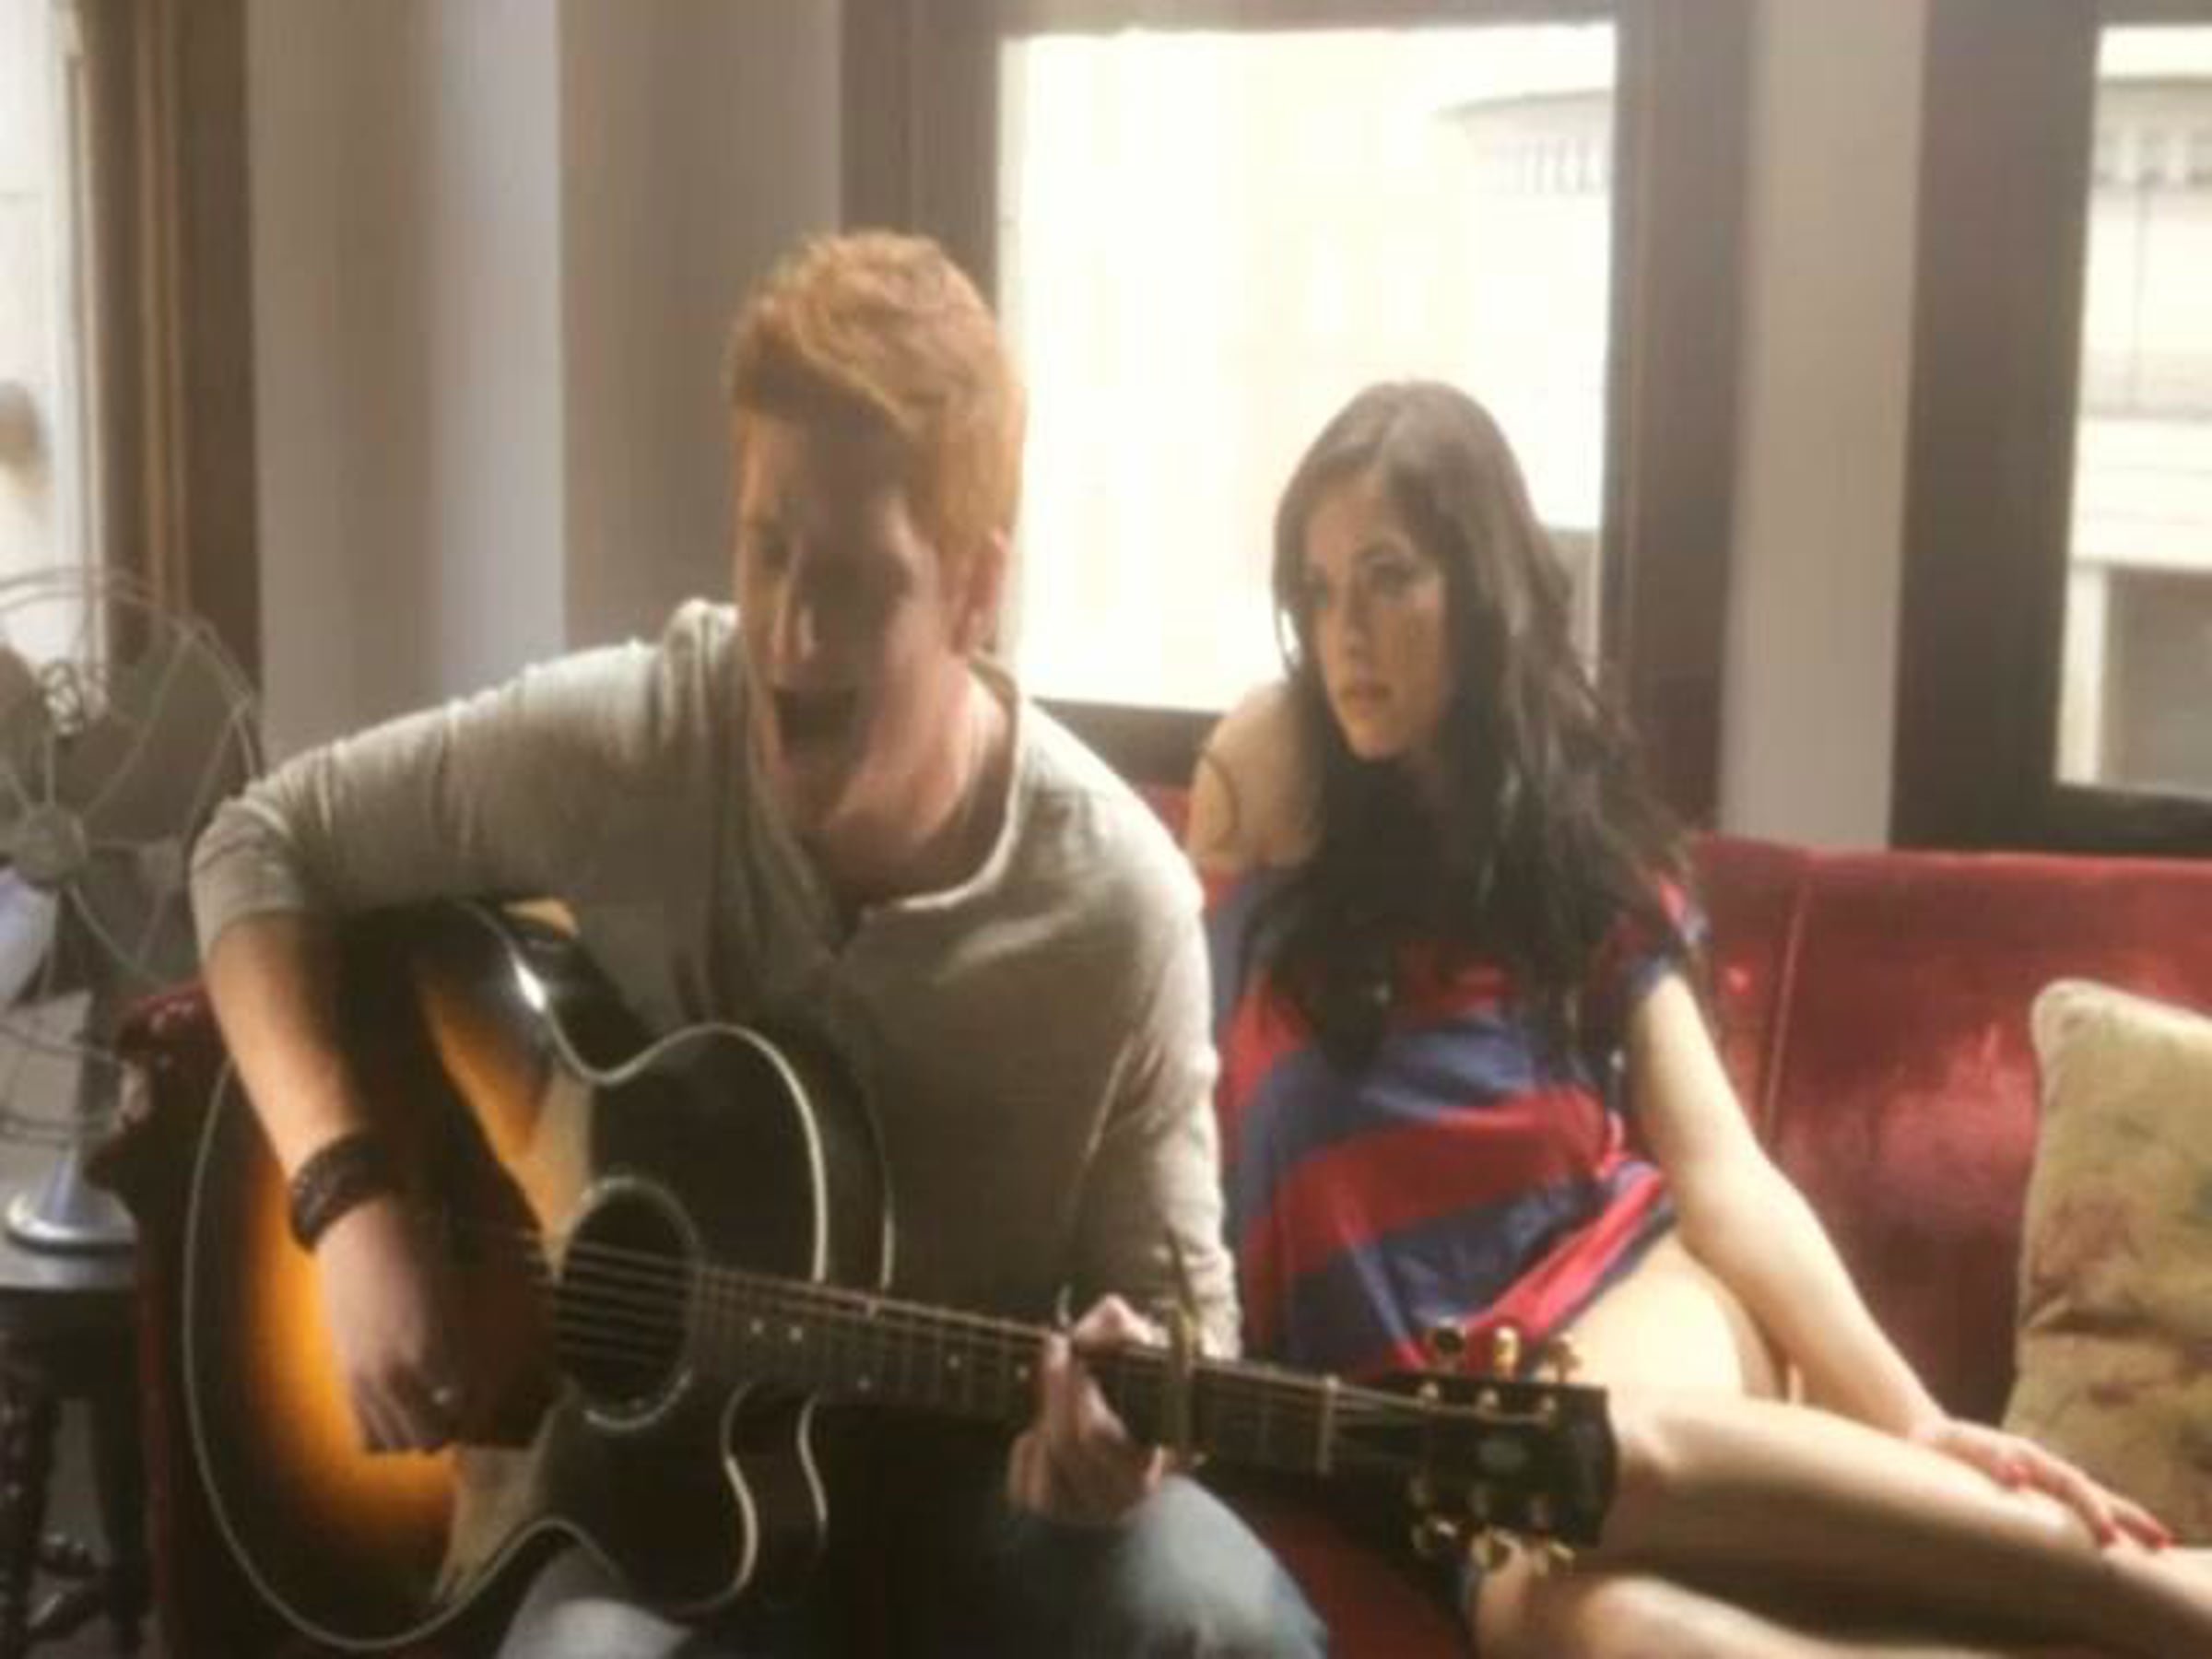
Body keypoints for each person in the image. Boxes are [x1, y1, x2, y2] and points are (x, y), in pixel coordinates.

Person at [190, 231, 1325, 1658]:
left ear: (975, 590)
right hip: (658, 1508)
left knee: (1226, 1628)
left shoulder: (1119, 908)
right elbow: (257, 844)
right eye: (766, 546)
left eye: (855, 578)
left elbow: (1178, 1334)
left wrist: (1122, 1435)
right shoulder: (643, 739)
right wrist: (348, 1196)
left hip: (985, 1498)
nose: (789, 630)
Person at [1188, 378, 2212, 1658]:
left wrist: (1916, 1425)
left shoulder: (1582, 863)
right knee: (1604, 1628)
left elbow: (1724, 1174)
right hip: (1416, 1441)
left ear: (1482, 587)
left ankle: (2168, 1597)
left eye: (1389, 578)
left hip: (1623, 1311)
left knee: (1580, 1451)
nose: (1345, 632)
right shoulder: (1274, 814)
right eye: (1318, 589)